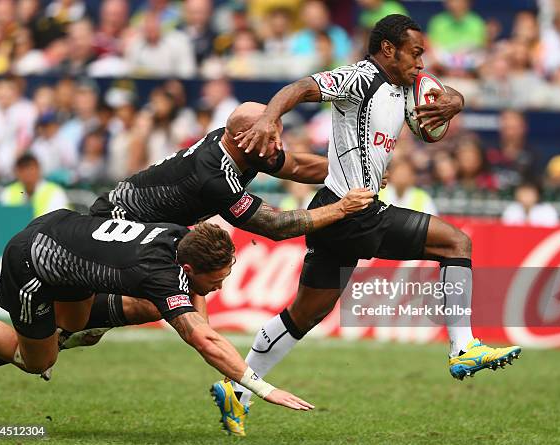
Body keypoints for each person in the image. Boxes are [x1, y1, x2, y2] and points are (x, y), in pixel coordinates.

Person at [222, 14, 521, 436]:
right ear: (387, 50)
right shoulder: (360, 78)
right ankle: (462, 347)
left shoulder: (406, 86)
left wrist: (458, 101)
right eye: (414, 53)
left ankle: (237, 388)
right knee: (456, 243)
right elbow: (300, 88)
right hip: (354, 210)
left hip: (335, 210)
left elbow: (442, 94)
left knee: (304, 315)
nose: (421, 62)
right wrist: (270, 117)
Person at [0, 102, 374, 393]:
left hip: (144, 226)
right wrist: (342, 207)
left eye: (278, 135)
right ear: (243, 137)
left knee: (84, 325)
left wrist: (352, 169)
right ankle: (16, 321)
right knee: (126, 311)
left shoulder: (244, 145)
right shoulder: (214, 177)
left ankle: (5, 302)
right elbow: (274, 225)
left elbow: (296, 167)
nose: (278, 144)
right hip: (119, 223)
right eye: (272, 136)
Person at [0, 209, 314, 412]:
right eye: (217, 279)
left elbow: (198, 315)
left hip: (63, 234)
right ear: (189, 269)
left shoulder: (183, 239)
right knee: (38, 360)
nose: (220, 288)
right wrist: (264, 389)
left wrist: (226, 368)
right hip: (31, 262)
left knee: (76, 324)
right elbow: (204, 340)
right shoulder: (158, 275)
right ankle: (3, 306)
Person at [0, 153, 70, 217]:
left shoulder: (55, 192)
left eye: (31, 168)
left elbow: (59, 222)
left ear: (38, 169)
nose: (27, 173)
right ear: (17, 172)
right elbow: (5, 219)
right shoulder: (8, 192)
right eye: (23, 169)